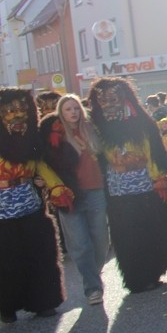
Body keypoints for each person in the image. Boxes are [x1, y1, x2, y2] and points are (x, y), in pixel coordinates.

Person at [89, 77, 167, 293]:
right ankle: (137, 277)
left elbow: (151, 149)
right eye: (103, 101)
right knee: (128, 235)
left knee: (152, 230)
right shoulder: (96, 127)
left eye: (113, 99)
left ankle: (154, 271)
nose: (109, 105)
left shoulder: (141, 123)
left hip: (146, 187)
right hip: (118, 192)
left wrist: (159, 178)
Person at [0, 89, 72, 322]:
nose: (17, 116)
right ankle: (6, 305)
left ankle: (43, 301)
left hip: (30, 205)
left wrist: (57, 188)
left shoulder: (31, 142)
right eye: (10, 111)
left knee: (39, 255)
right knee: (6, 259)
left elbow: (42, 167)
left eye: (21, 110)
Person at [40, 94, 110, 306]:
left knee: (101, 240)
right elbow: (44, 160)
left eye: (76, 109)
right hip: (70, 195)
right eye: (68, 109)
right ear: (61, 113)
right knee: (80, 244)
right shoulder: (54, 134)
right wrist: (47, 182)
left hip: (95, 190)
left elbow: (104, 156)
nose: (73, 113)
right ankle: (92, 288)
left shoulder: (91, 129)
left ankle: (93, 273)